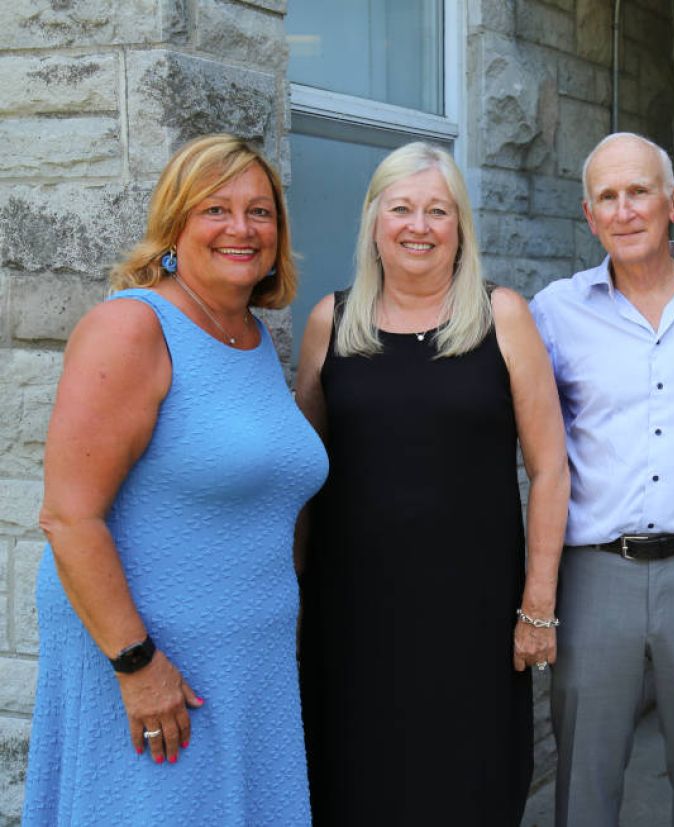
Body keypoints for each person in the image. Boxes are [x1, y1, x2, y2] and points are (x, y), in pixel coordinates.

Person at [24, 134, 326, 824]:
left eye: (260, 211)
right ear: (173, 224)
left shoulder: (249, 335)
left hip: (249, 666)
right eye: (214, 209)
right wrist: (138, 665)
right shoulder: (130, 327)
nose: (241, 229)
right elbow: (70, 516)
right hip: (160, 671)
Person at [295, 141, 568, 825]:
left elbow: (550, 468)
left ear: (460, 226)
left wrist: (537, 605)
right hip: (352, 616)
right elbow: (300, 473)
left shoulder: (501, 315)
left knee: (468, 786)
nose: (419, 226)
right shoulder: (331, 320)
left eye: (437, 210)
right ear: (374, 221)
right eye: (403, 208)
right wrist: (291, 593)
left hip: (472, 618)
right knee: (356, 784)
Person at [529, 132, 674, 827]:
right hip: (595, 572)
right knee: (585, 782)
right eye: (608, 197)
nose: (625, 211)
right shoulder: (553, 312)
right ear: (590, 216)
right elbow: (531, 440)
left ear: (673, 202)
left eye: (639, 192)